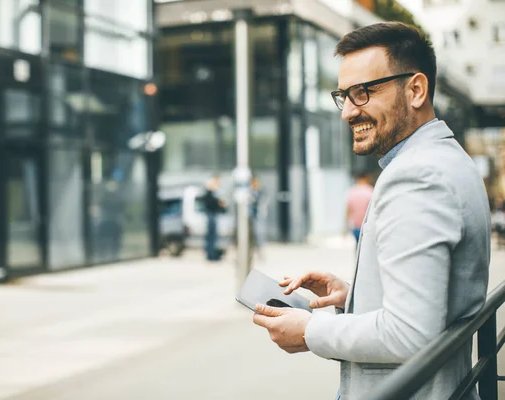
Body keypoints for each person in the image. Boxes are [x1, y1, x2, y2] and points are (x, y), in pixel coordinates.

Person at [252, 22, 491, 400]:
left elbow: (410, 333)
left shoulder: (416, 175)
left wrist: (309, 330)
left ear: (415, 89)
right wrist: (354, 297)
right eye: (343, 95)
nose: (348, 112)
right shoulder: (446, 158)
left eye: (362, 92)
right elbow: (436, 302)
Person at [345, 172, 374, 247]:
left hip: (356, 226)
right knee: (367, 248)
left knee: (358, 246)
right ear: (366, 178)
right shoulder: (370, 191)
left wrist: (346, 226)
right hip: (368, 226)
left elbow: (348, 210)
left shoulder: (352, 191)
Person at [203, 175, 225, 261]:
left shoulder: (213, 192)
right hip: (211, 214)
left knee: (212, 236)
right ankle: (210, 254)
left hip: (212, 214)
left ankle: (212, 253)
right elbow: (210, 203)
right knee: (211, 235)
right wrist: (219, 204)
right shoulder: (210, 193)